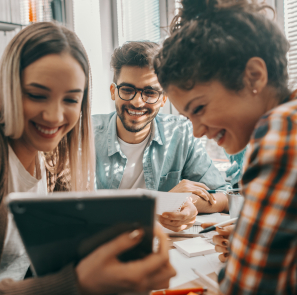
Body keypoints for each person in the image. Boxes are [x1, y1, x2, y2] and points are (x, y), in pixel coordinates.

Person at [0, 22, 175, 295]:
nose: (54, 116)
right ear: (9, 88)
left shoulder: (52, 153)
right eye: (37, 95)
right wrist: (77, 285)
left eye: (71, 99)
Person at [154, 0, 297, 294]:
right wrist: (256, 238)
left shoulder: (288, 131)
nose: (196, 131)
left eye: (200, 108)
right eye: (187, 117)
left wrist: (249, 251)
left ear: (254, 76)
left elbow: (245, 289)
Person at [94, 41, 230, 232]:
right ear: (113, 92)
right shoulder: (86, 136)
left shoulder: (180, 132)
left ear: (163, 98)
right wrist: (162, 202)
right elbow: (82, 210)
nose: (137, 101)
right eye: (127, 90)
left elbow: (222, 196)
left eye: (149, 92)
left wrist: (187, 203)